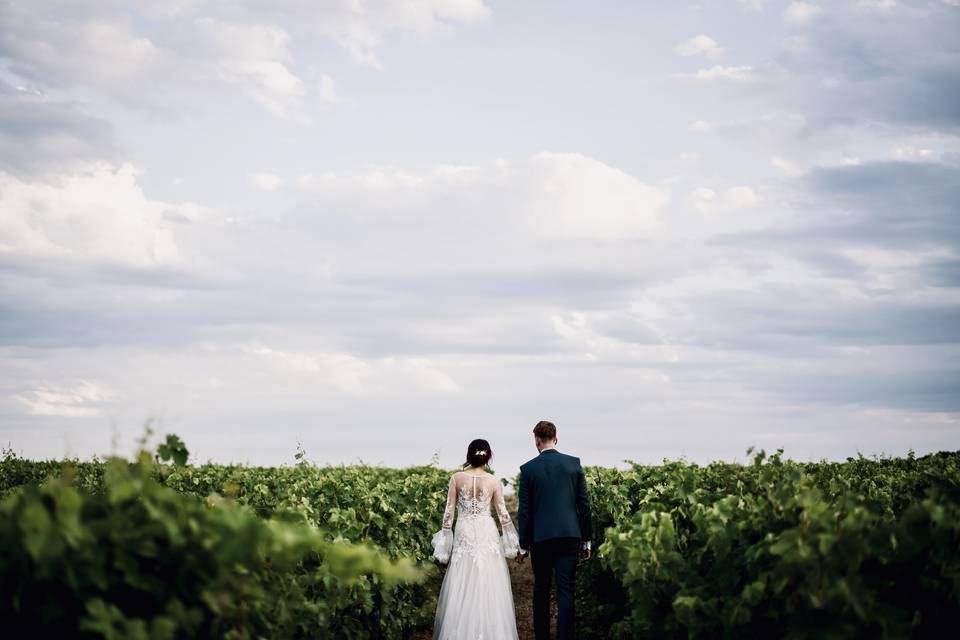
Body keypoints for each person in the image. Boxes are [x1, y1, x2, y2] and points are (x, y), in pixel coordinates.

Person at [430, 438, 520, 639]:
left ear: (469, 455)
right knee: (489, 580)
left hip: (464, 531)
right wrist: (511, 541)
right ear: (488, 457)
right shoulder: (493, 481)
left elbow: (448, 513)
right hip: (486, 530)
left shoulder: (456, 478)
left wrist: (443, 545)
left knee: (462, 578)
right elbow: (503, 513)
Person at [516, 420, 592, 640]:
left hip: (541, 537)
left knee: (541, 588)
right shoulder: (573, 464)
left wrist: (524, 544)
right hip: (570, 535)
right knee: (566, 590)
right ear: (555, 439)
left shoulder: (528, 469)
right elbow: (584, 505)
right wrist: (586, 539)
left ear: (537, 441)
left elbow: (525, 511)